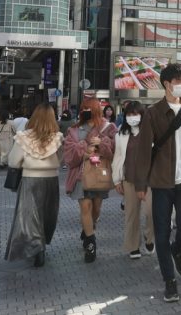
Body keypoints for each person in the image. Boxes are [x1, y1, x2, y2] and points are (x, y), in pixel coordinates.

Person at [135, 63, 181, 303]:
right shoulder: (153, 113)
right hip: (161, 182)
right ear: (166, 84)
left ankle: (177, 251)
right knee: (162, 233)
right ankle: (170, 282)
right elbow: (144, 151)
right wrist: (140, 184)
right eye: (177, 81)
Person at [5, 103, 63, 267]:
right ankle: (41, 244)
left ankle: (37, 249)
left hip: (30, 179)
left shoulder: (23, 137)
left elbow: (13, 161)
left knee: (29, 217)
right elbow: (60, 158)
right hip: (51, 179)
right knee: (47, 214)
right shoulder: (57, 137)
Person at [64, 98, 117, 263]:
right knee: (86, 206)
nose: (85, 111)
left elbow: (115, 150)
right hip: (80, 175)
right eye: (83, 108)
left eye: (88, 108)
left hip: (99, 174)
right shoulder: (74, 129)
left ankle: (88, 229)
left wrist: (102, 143)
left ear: (96, 110)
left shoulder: (108, 127)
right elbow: (68, 155)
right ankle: (91, 243)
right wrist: (83, 149)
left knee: (96, 208)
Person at [113, 101, 154, 259]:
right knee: (131, 215)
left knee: (151, 212)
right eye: (129, 114)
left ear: (142, 115)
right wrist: (117, 180)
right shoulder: (121, 134)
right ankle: (133, 246)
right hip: (129, 180)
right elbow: (118, 157)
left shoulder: (151, 132)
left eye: (135, 114)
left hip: (149, 180)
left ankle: (150, 237)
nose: (132, 117)